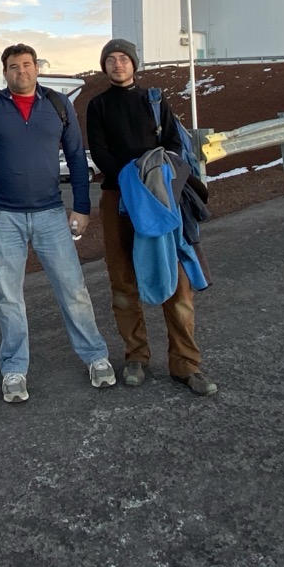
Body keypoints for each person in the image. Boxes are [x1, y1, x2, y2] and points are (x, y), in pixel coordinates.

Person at [0, 43, 116, 403]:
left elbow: (77, 158)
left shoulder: (58, 106)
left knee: (73, 290)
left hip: (51, 215)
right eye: (14, 67)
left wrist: (81, 207)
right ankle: (15, 368)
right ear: (5, 72)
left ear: (37, 68)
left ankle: (95, 357)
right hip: (3, 217)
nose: (22, 72)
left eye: (27, 65)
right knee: (9, 297)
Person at [84, 38, 218, 396]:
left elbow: (176, 146)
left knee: (176, 281)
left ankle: (186, 364)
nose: (117, 64)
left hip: (160, 200)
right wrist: (132, 184)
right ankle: (136, 356)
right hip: (118, 201)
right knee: (123, 281)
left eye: (123, 58)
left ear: (134, 64)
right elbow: (100, 152)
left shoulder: (155, 101)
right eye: (110, 59)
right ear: (104, 66)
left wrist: (151, 178)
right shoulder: (97, 106)